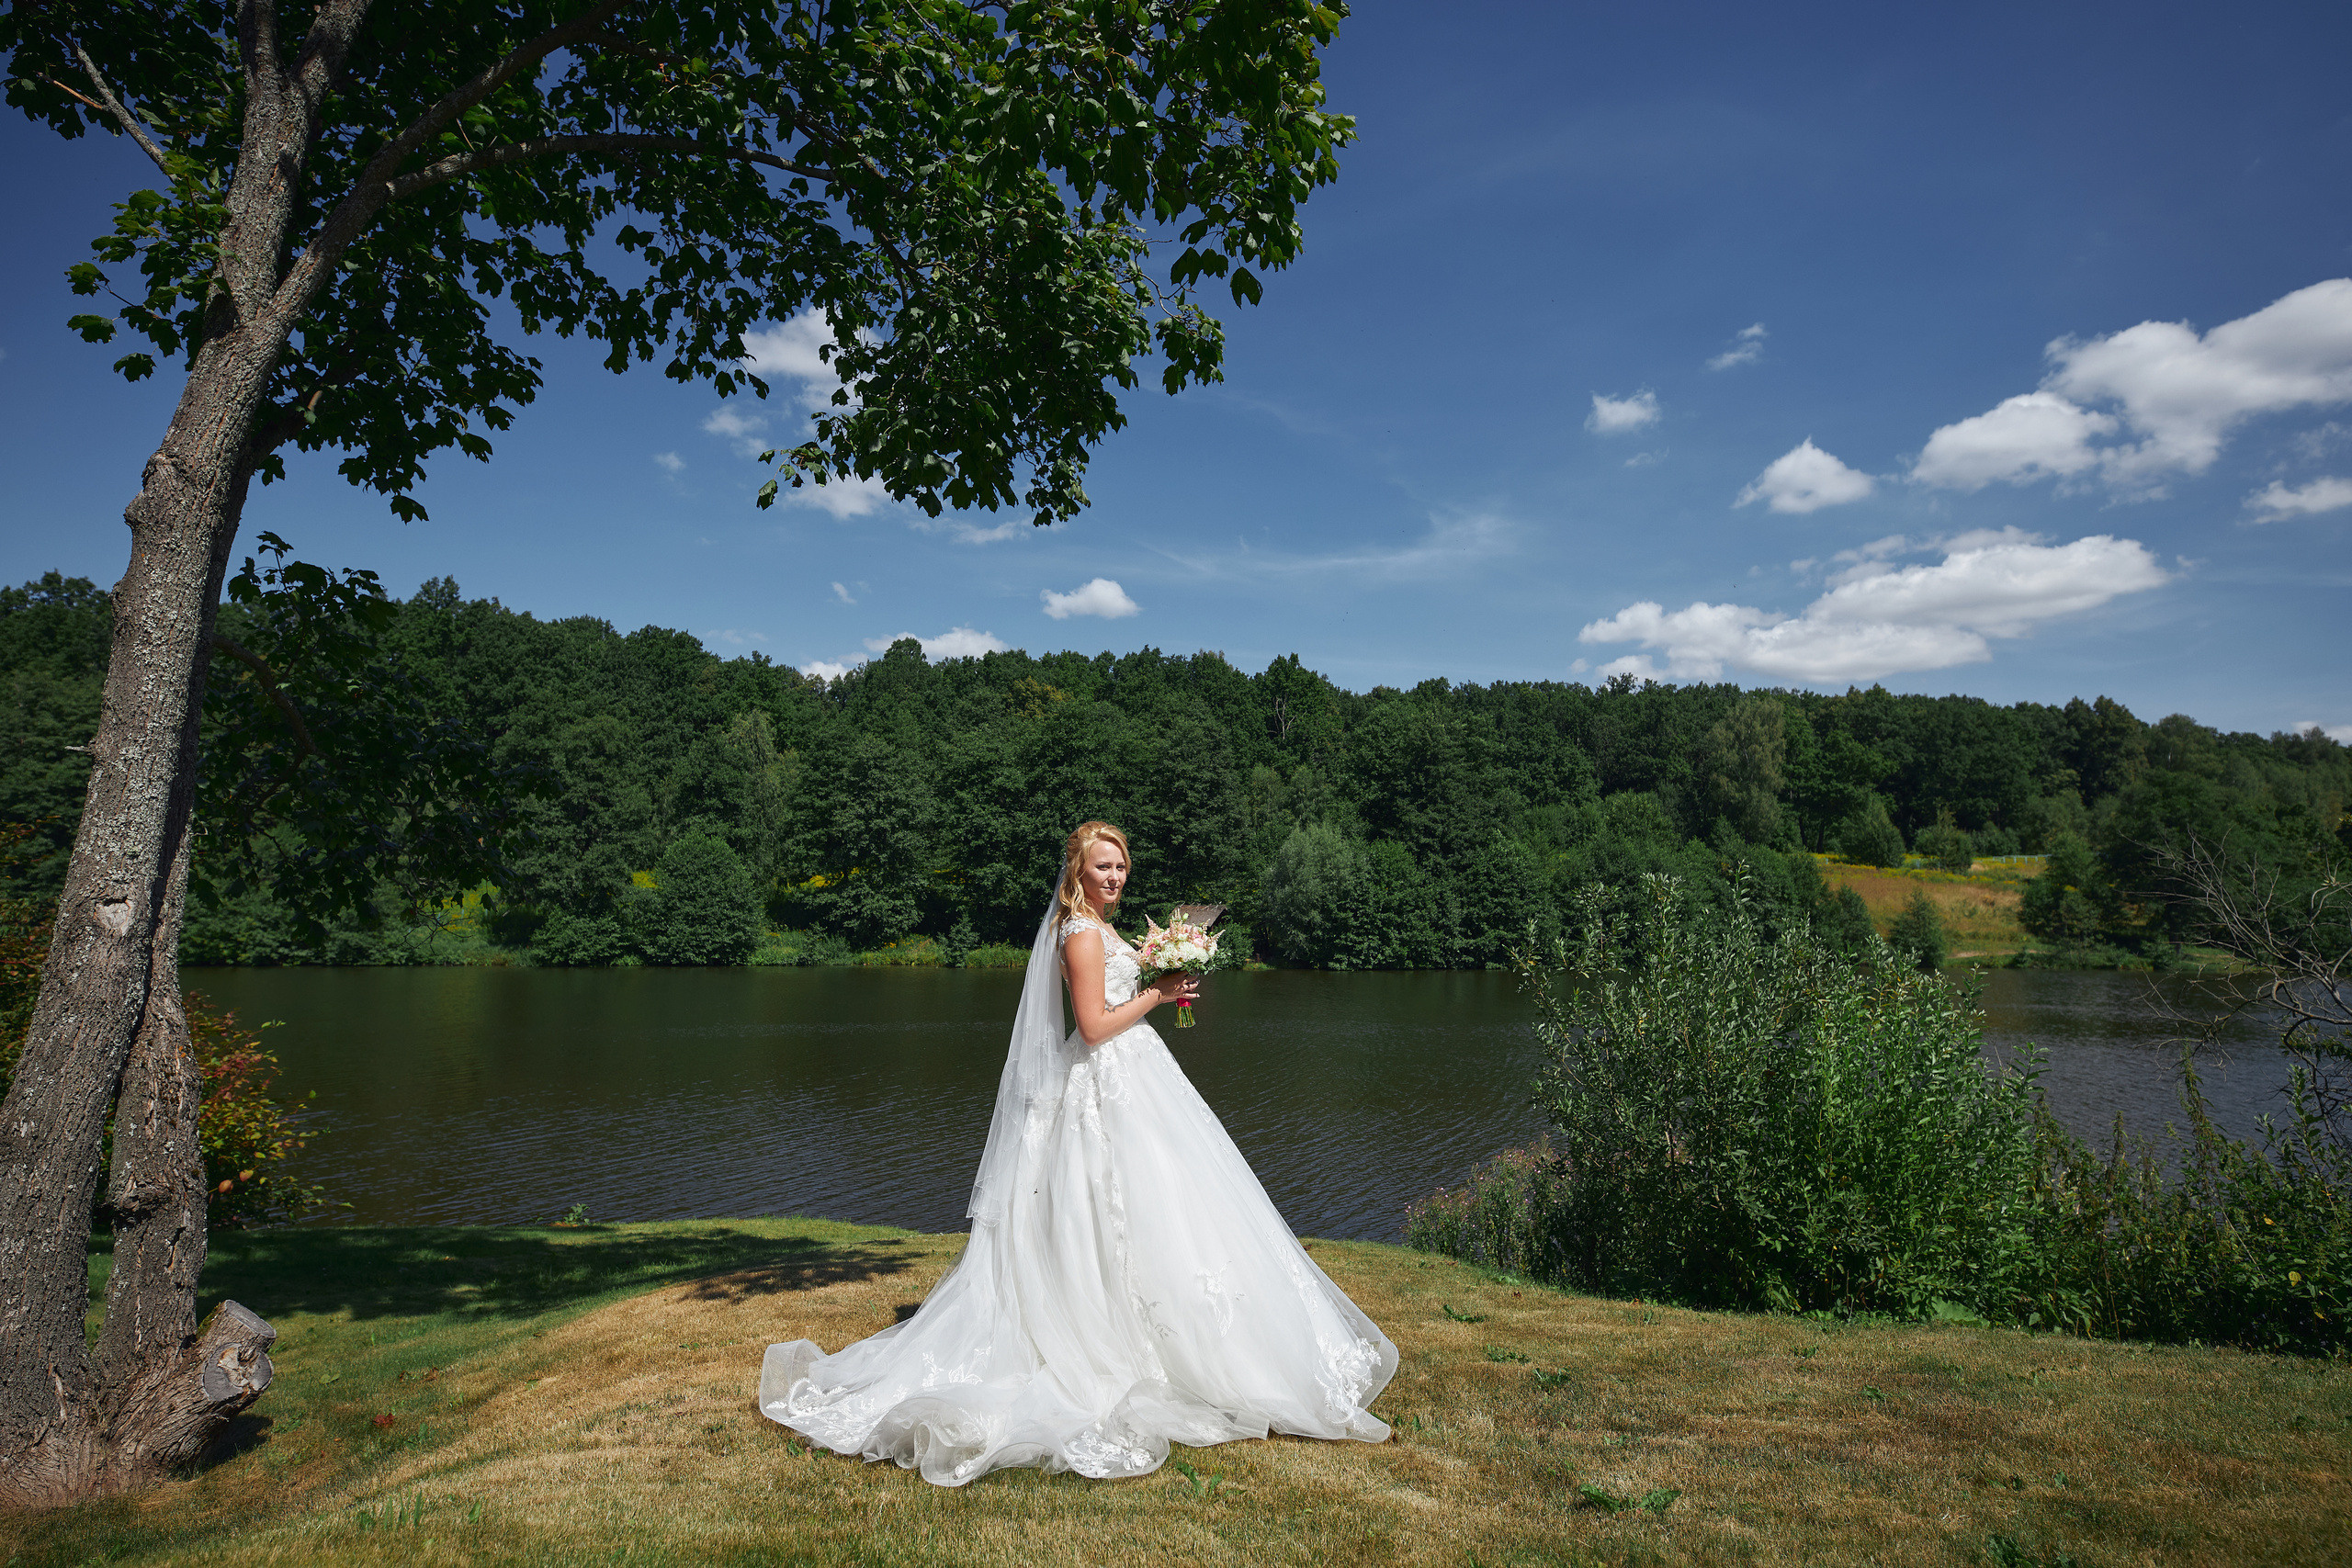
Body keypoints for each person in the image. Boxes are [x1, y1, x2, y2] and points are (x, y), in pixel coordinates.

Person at [757, 820, 1397, 1485]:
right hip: (1104, 1078)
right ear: (1078, 873)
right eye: (1102, 867)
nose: (1114, 877)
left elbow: (1114, 1006)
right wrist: (1160, 994)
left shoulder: (1102, 928)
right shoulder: (1081, 933)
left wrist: (1162, 980)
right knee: (1114, 1207)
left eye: (1120, 866)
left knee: (1165, 1202)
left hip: (1136, 1073)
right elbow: (1092, 1027)